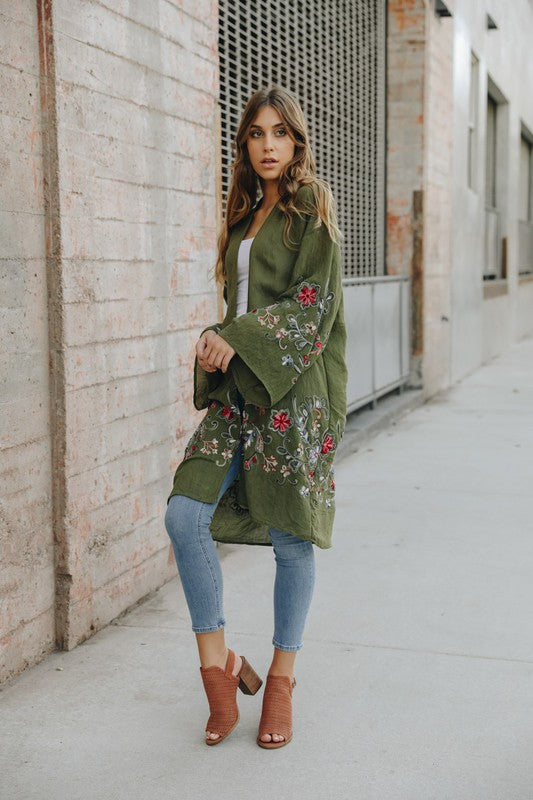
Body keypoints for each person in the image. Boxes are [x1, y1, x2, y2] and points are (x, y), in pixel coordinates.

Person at [164, 85, 347, 749]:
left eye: (279, 133)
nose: (267, 145)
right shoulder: (241, 214)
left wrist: (237, 334)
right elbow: (243, 300)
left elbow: (310, 306)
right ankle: (220, 669)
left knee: (292, 536)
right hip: (235, 391)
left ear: (296, 142)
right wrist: (219, 337)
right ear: (243, 144)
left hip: (293, 393)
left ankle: (280, 679)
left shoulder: (310, 206)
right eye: (255, 134)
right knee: (185, 516)